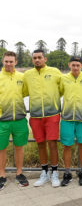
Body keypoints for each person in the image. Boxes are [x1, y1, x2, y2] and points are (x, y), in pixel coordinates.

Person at [23, 49, 62, 187]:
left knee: (52, 144)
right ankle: (44, 173)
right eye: (35, 58)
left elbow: (63, 88)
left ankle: (55, 173)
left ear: (45, 59)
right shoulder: (27, 75)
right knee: (40, 144)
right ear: (32, 60)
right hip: (35, 115)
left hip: (52, 115)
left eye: (39, 57)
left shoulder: (55, 71)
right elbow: (23, 92)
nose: (37, 60)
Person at [59, 57, 82, 186]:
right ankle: (67, 173)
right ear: (69, 65)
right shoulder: (64, 79)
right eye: (73, 65)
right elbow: (59, 93)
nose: (75, 67)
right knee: (67, 146)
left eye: (78, 65)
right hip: (67, 118)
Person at [0, 51, 29, 190]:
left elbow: (27, 92)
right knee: (1, 149)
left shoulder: (22, 77)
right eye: (6, 61)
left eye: (11, 61)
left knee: (19, 148)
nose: (9, 64)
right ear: (2, 61)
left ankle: (19, 173)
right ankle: (2, 175)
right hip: (2, 121)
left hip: (19, 119)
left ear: (16, 62)